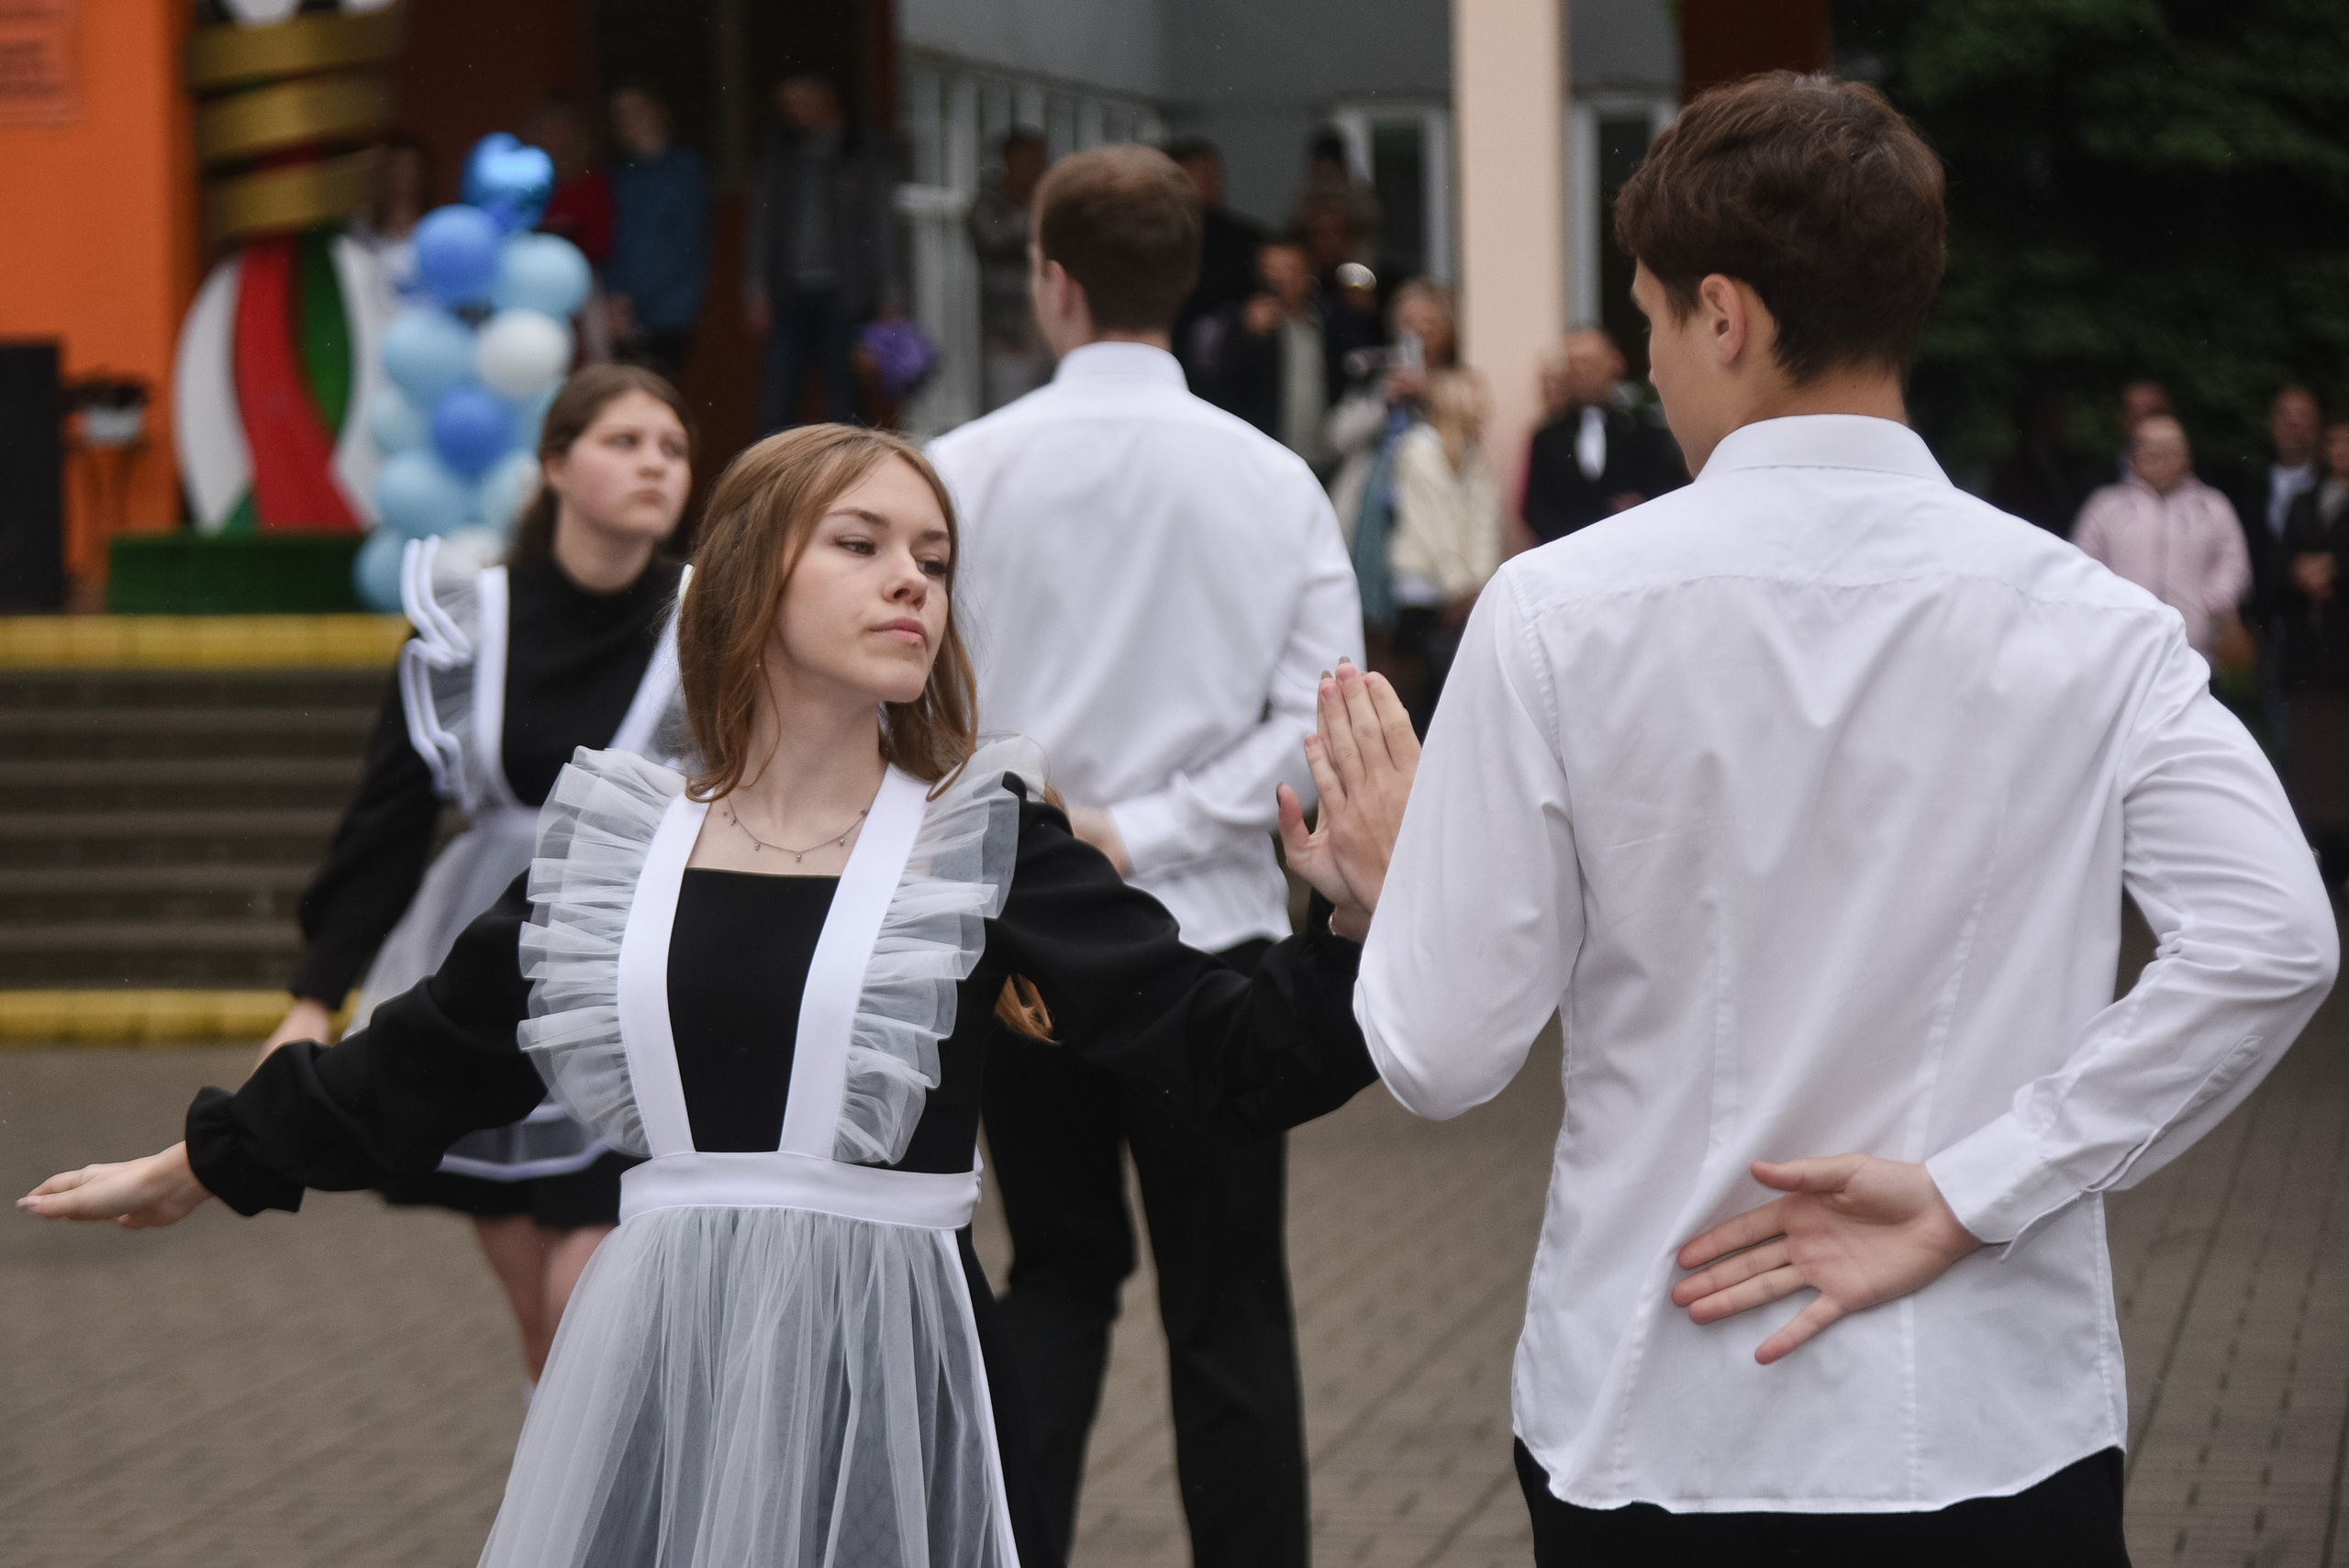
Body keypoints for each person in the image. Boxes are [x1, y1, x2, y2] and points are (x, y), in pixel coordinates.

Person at [23, 423, 1417, 1568]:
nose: (911, 583)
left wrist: (1355, 911)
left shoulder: (983, 845)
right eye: (862, 546)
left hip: (899, 1367)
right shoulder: (620, 842)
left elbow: (1230, 1053)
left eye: (932, 558)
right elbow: (426, 1059)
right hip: (662, 1361)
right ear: (749, 582)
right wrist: (205, 1158)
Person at [1353, 72, 2335, 1563]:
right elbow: (2273, 938)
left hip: (1652, 1405)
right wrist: (1981, 1184)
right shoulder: (2092, 618)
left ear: (1725, 314)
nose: (1652, 369)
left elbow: (1439, 1050)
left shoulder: (1557, 611)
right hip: (1995, 1412)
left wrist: (1394, 873)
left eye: (1652, 321)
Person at [927, 145, 1364, 1568]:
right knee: (1230, 1301)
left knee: (1053, 1272)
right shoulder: (1277, 480)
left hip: (1024, 954)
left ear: (1051, 279)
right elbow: (1324, 730)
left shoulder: (957, 472)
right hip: (1217, 949)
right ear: (1187, 285)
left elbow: (919, 703)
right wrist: (1157, 831)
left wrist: (1064, 828)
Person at [260, 364, 696, 1382]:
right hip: (484, 958)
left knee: (590, 1296)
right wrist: (313, 999)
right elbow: (388, 814)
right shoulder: (471, 618)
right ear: (554, 464)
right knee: (546, 1338)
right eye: (624, 442)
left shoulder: (709, 622)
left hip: (637, 964)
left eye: (673, 448)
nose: (654, 465)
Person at [745, 74, 902, 431]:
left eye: (800, 102)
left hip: (847, 295)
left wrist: (889, 292)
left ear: (825, 95)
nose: (794, 113)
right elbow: (763, 223)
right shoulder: (780, 150)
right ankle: (772, 480)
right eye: (787, 105)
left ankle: (844, 481)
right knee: (776, 399)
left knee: (846, 398)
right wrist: (756, 286)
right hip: (788, 291)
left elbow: (882, 225)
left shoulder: (862, 149)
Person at [2073, 413, 2253, 671]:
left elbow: (2234, 564)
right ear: (2132, 453)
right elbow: (2082, 566)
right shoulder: (2105, 506)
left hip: (2196, 656)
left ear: (2186, 455)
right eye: (2146, 444)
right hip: (2121, 654)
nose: (2156, 453)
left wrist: (2214, 602)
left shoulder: (2213, 506)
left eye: (2169, 446)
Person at [1387, 368, 1502, 732]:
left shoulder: (1473, 453)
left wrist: (1477, 586)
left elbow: (1485, 523)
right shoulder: (1419, 451)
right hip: (1424, 590)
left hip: (1462, 594)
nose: (1487, 408)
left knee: (1448, 700)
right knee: (1429, 700)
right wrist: (1460, 590)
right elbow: (1435, 529)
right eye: (1478, 399)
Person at [1520, 326, 1686, 548]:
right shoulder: (1546, 438)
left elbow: (1671, 492)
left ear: (1615, 364)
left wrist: (1644, 509)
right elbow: (1536, 509)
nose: (1581, 373)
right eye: (1573, 365)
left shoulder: (1645, 432)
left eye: (1589, 363)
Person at [2274, 416, 2349, 886]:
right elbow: (2277, 556)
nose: (2341, 449)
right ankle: (2324, 858)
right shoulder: (2304, 500)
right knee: (2313, 762)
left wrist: (2335, 572)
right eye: (2336, 441)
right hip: (2310, 654)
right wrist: (2298, 572)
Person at [2234, 386, 2324, 754]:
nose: (2294, 426)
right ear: (2273, 426)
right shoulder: (2248, 489)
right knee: (2277, 733)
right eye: (2286, 417)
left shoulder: (2335, 488)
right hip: (2267, 628)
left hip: (2320, 628)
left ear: (2317, 428)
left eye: (2303, 418)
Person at [602, 87, 709, 380]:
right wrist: (614, 296)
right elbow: (609, 241)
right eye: (619, 114)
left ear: (658, 112)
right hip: (619, 311)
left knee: (656, 393)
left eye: (635, 110)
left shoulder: (685, 171)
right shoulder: (618, 175)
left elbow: (685, 246)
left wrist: (634, 302)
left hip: (670, 309)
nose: (626, 120)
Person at [1210, 236, 1343, 472]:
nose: (1280, 278)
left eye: (1290, 269)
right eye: (1271, 269)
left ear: (1308, 274)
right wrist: (1246, 336)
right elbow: (1219, 386)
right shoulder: (1241, 321)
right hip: (1263, 460)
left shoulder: (1328, 324)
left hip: (1322, 460)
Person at [1165, 139, 1270, 394]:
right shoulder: (1160, 239)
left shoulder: (1249, 239)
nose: (1214, 183)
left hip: (1233, 370)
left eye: (1216, 175)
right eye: (1202, 175)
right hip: (1175, 363)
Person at [968, 127, 1052, 412]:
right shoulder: (988, 204)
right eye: (1029, 162)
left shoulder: (1044, 206)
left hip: (1047, 339)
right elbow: (998, 238)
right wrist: (1038, 207)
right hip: (1007, 337)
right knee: (1009, 414)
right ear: (1009, 163)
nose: (1037, 170)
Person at [1987, 390, 2097, 538]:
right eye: (2051, 416)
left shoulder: (2073, 466)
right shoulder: (2013, 474)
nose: (2060, 423)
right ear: (2034, 419)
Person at [526, 95, 614, 265]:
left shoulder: (590, 185)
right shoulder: (521, 182)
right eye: (545, 129)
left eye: (559, 131)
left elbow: (600, 245)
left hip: (576, 276)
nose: (549, 138)